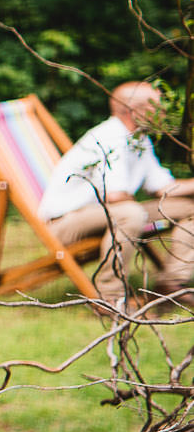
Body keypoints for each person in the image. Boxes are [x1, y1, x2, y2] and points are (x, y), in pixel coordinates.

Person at [40, 80, 194, 311]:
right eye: (157, 107)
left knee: (188, 208)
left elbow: (164, 188)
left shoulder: (140, 139)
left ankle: (171, 284)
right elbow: (115, 196)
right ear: (134, 111)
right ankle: (109, 297)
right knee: (130, 213)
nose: (163, 112)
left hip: (109, 214)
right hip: (66, 223)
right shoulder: (111, 138)